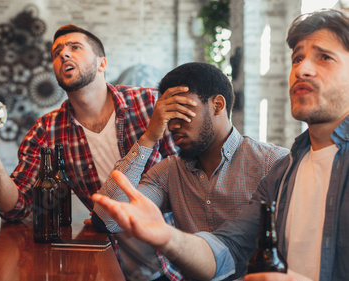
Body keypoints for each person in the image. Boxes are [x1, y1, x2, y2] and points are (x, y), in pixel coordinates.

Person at [93, 9, 349, 281]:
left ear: (217, 105)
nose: (303, 69)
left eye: (324, 57)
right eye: (297, 59)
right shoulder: (285, 172)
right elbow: (230, 248)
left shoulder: (270, 163)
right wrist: (168, 237)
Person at [0, 24, 182, 277]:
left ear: (102, 63)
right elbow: (15, 208)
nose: (63, 54)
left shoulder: (150, 103)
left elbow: (188, 176)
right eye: (56, 52)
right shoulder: (47, 129)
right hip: (113, 268)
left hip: (175, 263)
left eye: (75, 47)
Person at [92, 62, 289, 281]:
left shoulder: (271, 163)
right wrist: (149, 137)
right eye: (167, 115)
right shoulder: (169, 171)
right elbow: (106, 221)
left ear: (217, 105)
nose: (172, 125)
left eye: (181, 111)